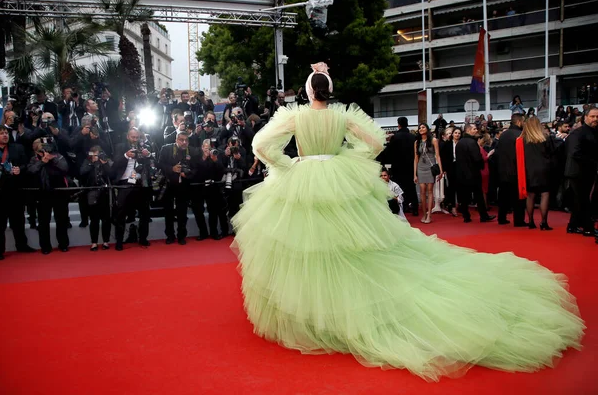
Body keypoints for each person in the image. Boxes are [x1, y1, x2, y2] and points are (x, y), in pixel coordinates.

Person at [231, 62, 584, 382]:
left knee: (305, 247)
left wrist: (286, 165)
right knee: (356, 246)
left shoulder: (295, 117)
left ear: (309, 91)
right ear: (330, 89)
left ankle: (312, 314)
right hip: (337, 175)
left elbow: (261, 145)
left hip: (304, 176)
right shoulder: (342, 117)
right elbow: (372, 142)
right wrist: (344, 159)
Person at [0, 126, 36, 260]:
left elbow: (27, 164)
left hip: (15, 190)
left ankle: (22, 245)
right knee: (0, 223)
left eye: (6, 133)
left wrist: (20, 169)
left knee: (18, 221)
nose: (4, 135)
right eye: (1, 133)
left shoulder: (17, 148)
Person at [564, 106, 598, 237]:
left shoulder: (593, 131)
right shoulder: (578, 133)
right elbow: (574, 153)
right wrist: (593, 160)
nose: (595, 119)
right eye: (592, 116)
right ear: (585, 117)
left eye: (597, 117)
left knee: (580, 200)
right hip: (577, 172)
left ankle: (572, 226)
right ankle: (587, 228)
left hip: (588, 171)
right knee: (583, 200)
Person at [518, 117, 556, 230]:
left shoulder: (522, 139)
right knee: (545, 194)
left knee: (530, 196)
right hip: (544, 169)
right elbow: (552, 153)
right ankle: (544, 222)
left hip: (528, 170)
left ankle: (530, 221)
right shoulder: (545, 138)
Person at [455, 124, 495, 223]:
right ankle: (483, 216)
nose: (476, 130)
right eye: (474, 129)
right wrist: (481, 165)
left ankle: (466, 216)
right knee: (479, 196)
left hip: (462, 173)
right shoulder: (472, 143)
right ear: (469, 130)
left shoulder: (459, 143)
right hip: (473, 172)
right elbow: (477, 158)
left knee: (464, 196)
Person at [495, 114, 526, 226]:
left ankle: (501, 218)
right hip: (516, 170)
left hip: (502, 170)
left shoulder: (503, 135)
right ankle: (518, 220)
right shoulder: (520, 135)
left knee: (503, 196)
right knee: (518, 198)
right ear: (519, 121)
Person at [80, 146, 113, 251]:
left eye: (98, 154)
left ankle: (106, 241)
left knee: (106, 219)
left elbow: (112, 174)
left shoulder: (105, 160)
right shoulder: (87, 161)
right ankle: (94, 243)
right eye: (94, 154)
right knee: (94, 219)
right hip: (92, 192)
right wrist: (92, 163)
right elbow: (82, 173)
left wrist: (105, 164)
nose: (97, 156)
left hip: (105, 192)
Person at [386, 116, 418, 215]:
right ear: (407, 124)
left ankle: (403, 207)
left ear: (398, 124)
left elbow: (390, 152)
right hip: (410, 166)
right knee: (411, 187)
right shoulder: (413, 137)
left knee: (399, 188)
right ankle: (415, 208)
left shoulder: (395, 137)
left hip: (398, 166)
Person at [413, 123, 443, 224]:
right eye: (419, 128)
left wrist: (441, 170)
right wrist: (415, 174)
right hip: (421, 167)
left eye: (423, 127)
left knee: (430, 190)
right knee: (422, 190)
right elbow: (415, 159)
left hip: (430, 167)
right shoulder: (417, 142)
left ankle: (429, 214)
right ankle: (424, 213)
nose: (421, 129)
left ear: (427, 129)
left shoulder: (434, 140)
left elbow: (438, 156)